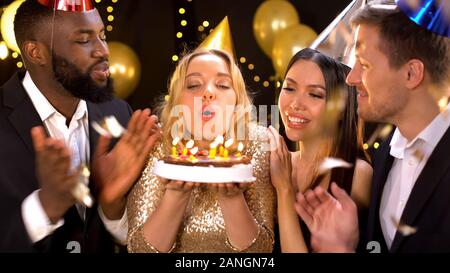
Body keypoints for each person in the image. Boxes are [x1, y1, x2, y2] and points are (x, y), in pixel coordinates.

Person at [0, 0, 160, 252]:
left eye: (102, 36)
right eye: (84, 41)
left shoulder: (119, 115)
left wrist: (112, 206)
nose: (103, 51)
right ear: (35, 52)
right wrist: (44, 207)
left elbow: (133, 238)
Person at [295, 0, 450, 252]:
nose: (351, 78)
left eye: (364, 65)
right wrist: (344, 247)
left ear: (411, 74)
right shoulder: (385, 155)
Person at [126, 48, 275, 253]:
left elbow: (261, 251)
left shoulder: (258, 144)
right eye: (194, 84)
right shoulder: (159, 146)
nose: (208, 93)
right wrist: (176, 195)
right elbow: (139, 250)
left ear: (237, 101)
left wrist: (231, 198)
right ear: (178, 99)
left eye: (222, 85)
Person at [268, 48, 373, 252]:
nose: (295, 104)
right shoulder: (277, 162)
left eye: (315, 94)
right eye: (289, 89)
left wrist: (284, 190)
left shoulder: (356, 173)